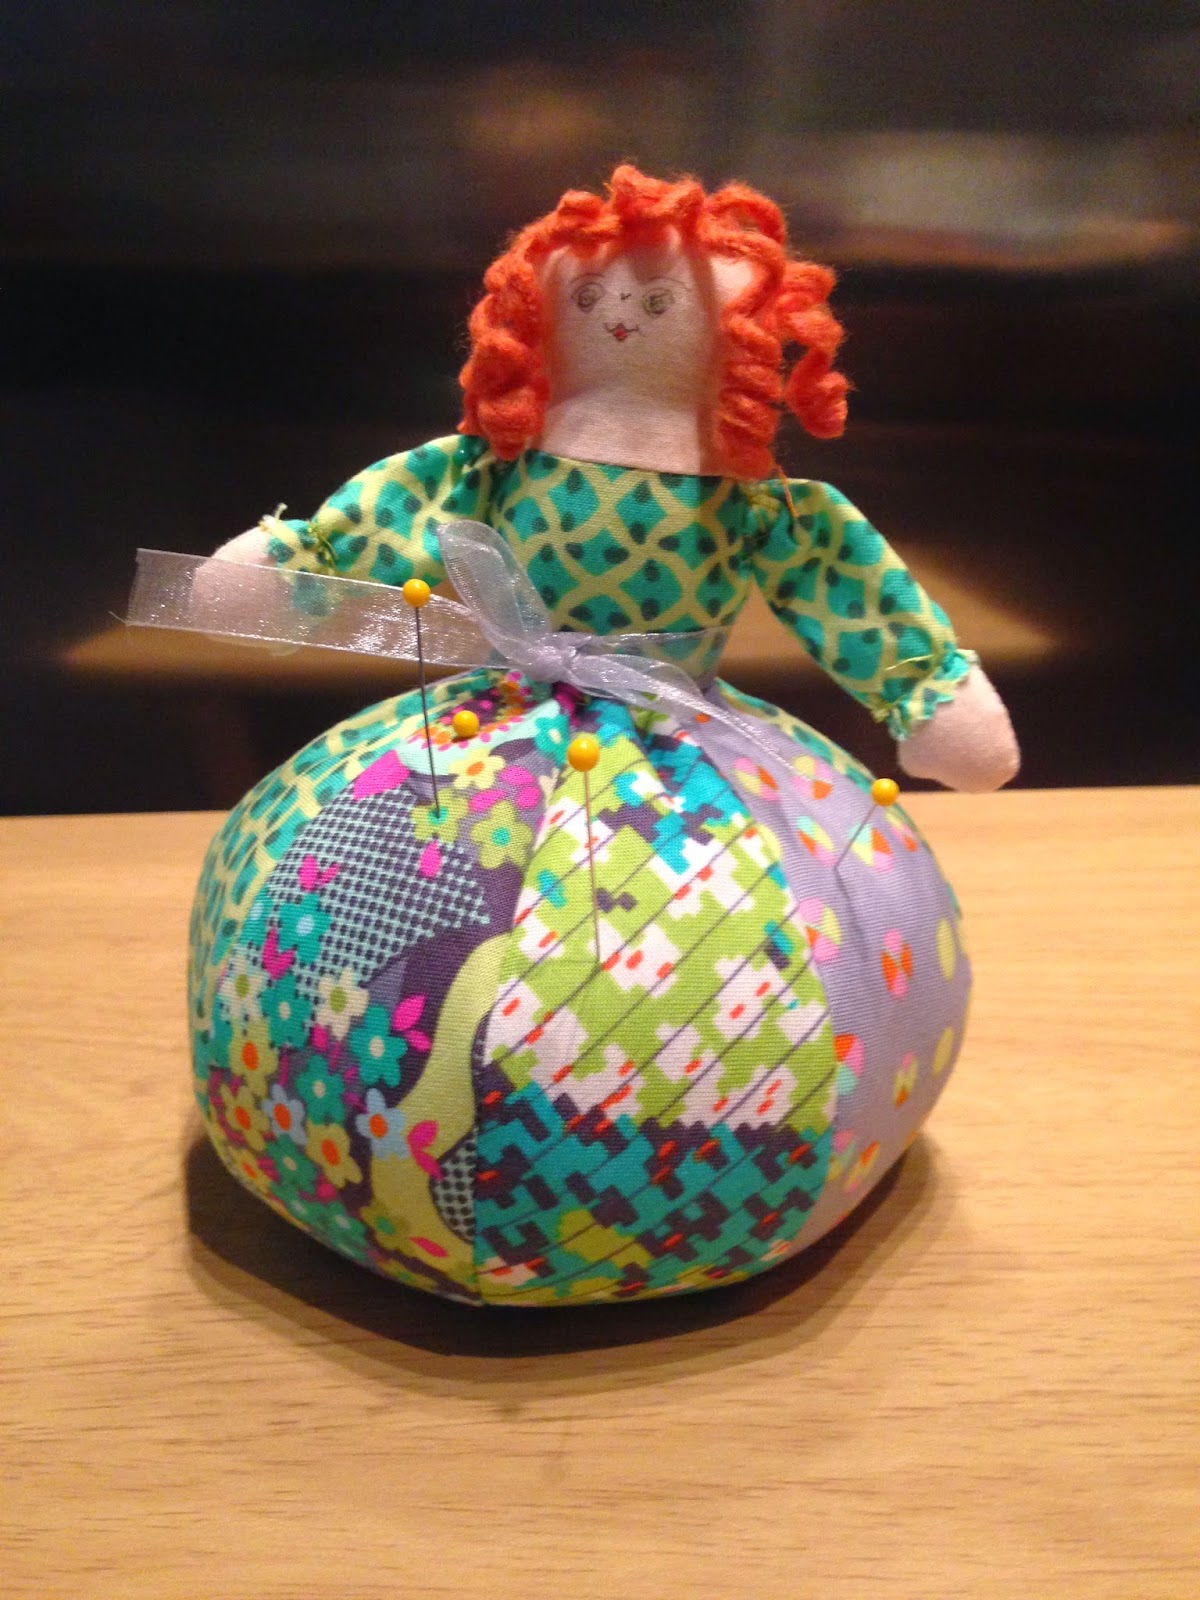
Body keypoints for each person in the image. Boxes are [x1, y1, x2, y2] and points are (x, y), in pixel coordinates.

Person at [190, 166, 1018, 1305]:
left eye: (660, 305)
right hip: (495, 720)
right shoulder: (483, 470)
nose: (623, 317)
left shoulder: (759, 508)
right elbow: (386, 517)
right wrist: (292, 569)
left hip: (685, 743)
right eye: (592, 301)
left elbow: (845, 584)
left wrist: (926, 691)